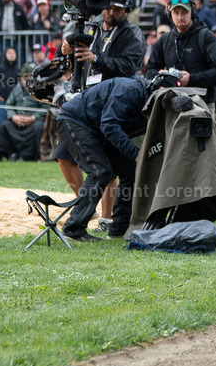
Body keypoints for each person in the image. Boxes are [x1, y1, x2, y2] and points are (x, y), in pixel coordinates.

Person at [57, 75, 162, 242]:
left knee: (131, 170)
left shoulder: (146, 98)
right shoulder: (130, 90)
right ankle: (73, 228)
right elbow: (109, 124)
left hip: (96, 128)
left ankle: (119, 228)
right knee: (100, 172)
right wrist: (135, 153)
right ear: (157, 90)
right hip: (76, 121)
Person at [144, 0, 216, 112]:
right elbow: (149, 70)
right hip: (172, 103)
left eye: (184, 13)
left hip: (202, 103)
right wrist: (161, 76)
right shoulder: (165, 39)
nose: (180, 17)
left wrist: (191, 79)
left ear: (192, 14)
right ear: (170, 15)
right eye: (176, 13)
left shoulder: (206, 37)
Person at [60, 0, 145, 85]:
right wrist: (67, 49)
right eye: (108, 8)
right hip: (86, 92)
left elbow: (127, 67)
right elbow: (73, 60)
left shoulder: (132, 33)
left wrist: (96, 59)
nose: (112, 13)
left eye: (118, 9)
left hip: (116, 93)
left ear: (126, 10)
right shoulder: (91, 28)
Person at [0, 64, 45, 161]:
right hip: (17, 121)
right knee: (4, 126)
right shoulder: (16, 89)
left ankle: (37, 156)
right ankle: (2, 155)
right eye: (24, 77)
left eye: (29, 77)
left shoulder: (40, 89)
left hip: (33, 121)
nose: (27, 79)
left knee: (38, 127)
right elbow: (9, 105)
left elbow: (45, 108)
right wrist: (13, 116)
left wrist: (33, 118)